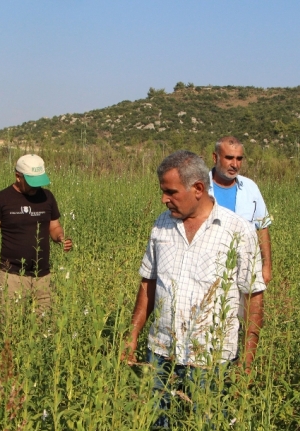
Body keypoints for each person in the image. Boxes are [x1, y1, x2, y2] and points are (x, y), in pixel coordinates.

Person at [122, 150, 265, 427]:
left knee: (208, 423)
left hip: (211, 360)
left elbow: (253, 296)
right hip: (161, 351)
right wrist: (132, 335)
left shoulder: (237, 231)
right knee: (156, 422)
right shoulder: (161, 225)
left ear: (198, 188)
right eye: (163, 191)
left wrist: (247, 360)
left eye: (171, 192)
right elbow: (148, 283)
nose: (164, 199)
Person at [0, 154, 73, 313]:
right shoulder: (1, 199)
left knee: (43, 327)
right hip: (13, 275)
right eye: (32, 183)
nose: (36, 187)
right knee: (11, 325)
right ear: (18, 177)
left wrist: (60, 237)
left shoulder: (47, 197)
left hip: (42, 275)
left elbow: (54, 227)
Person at [209, 136, 272, 284]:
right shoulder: (200, 188)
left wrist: (267, 266)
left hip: (246, 268)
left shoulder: (250, 188)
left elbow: (262, 227)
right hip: (209, 268)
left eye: (239, 159)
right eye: (229, 158)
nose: (235, 164)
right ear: (215, 157)